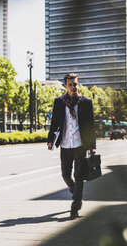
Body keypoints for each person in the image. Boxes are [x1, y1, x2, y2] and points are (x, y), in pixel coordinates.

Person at [47, 73, 96, 219]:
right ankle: (74, 190)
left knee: (79, 176)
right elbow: (54, 123)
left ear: (78, 84)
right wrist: (50, 140)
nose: (73, 87)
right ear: (65, 86)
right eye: (70, 84)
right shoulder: (59, 102)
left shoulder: (86, 102)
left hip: (80, 144)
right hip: (65, 144)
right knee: (66, 175)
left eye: (75, 84)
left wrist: (92, 145)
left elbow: (90, 125)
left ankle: (75, 208)